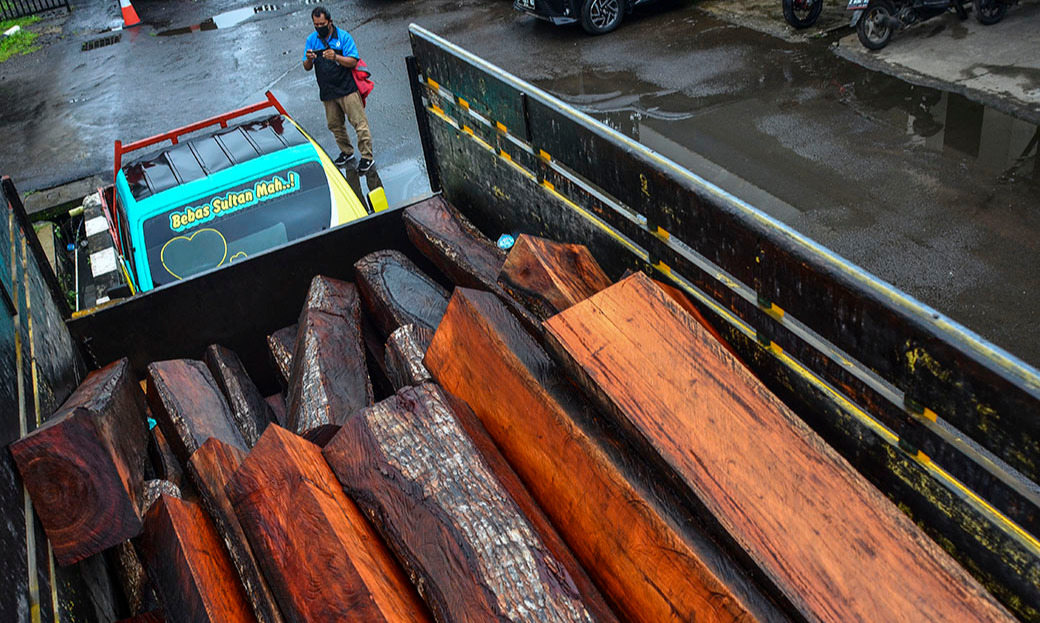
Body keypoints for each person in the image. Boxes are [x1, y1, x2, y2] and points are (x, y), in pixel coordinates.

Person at [303, 6, 374, 172]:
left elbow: (353, 61)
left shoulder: (343, 37)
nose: (319, 27)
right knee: (335, 125)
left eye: (322, 24)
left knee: (359, 123)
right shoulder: (311, 40)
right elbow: (306, 67)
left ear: (330, 22)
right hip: (327, 91)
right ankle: (346, 151)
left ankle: (367, 156)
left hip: (347, 88)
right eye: (316, 24)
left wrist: (336, 57)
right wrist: (308, 59)